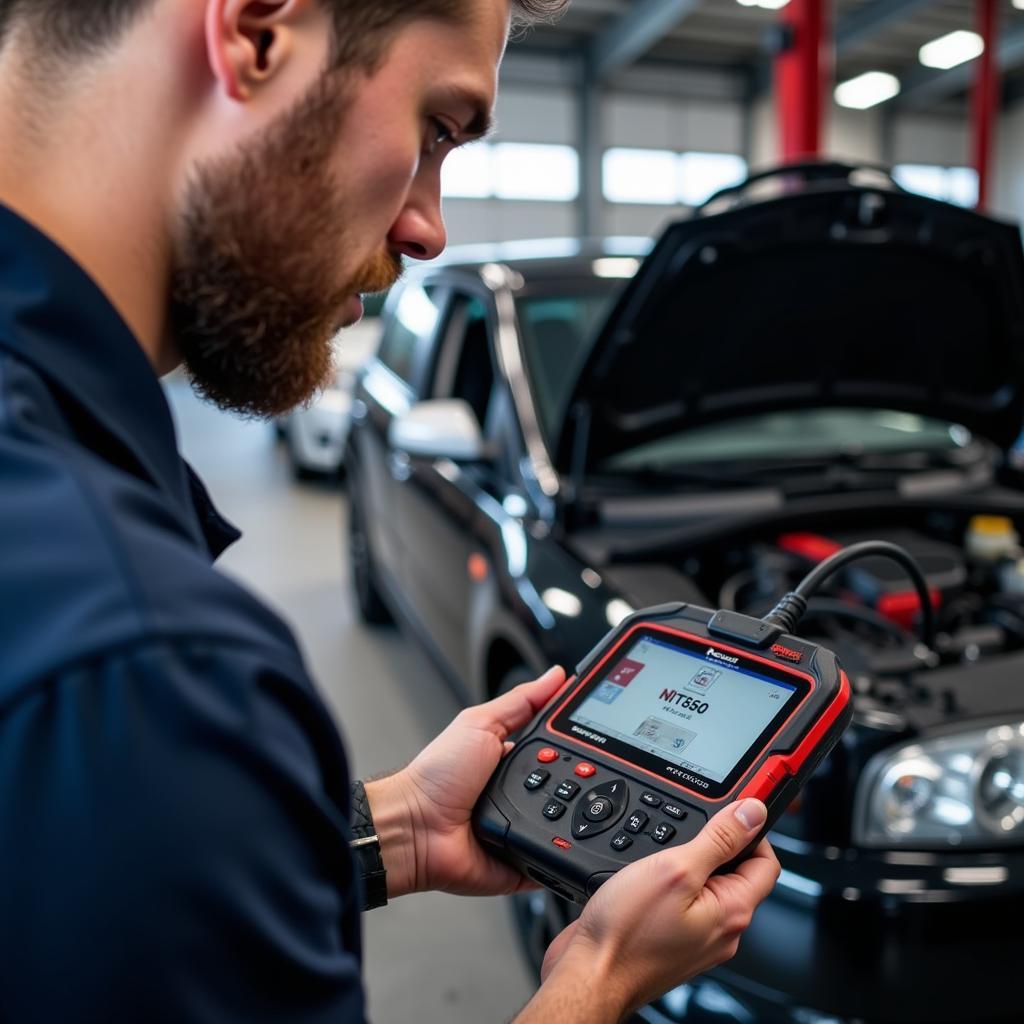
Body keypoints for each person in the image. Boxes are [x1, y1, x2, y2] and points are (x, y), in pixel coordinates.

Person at [0, 1, 781, 1021]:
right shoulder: (148, 666)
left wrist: (398, 827)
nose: (427, 226)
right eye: (436, 130)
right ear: (257, 34)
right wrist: (597, 983)